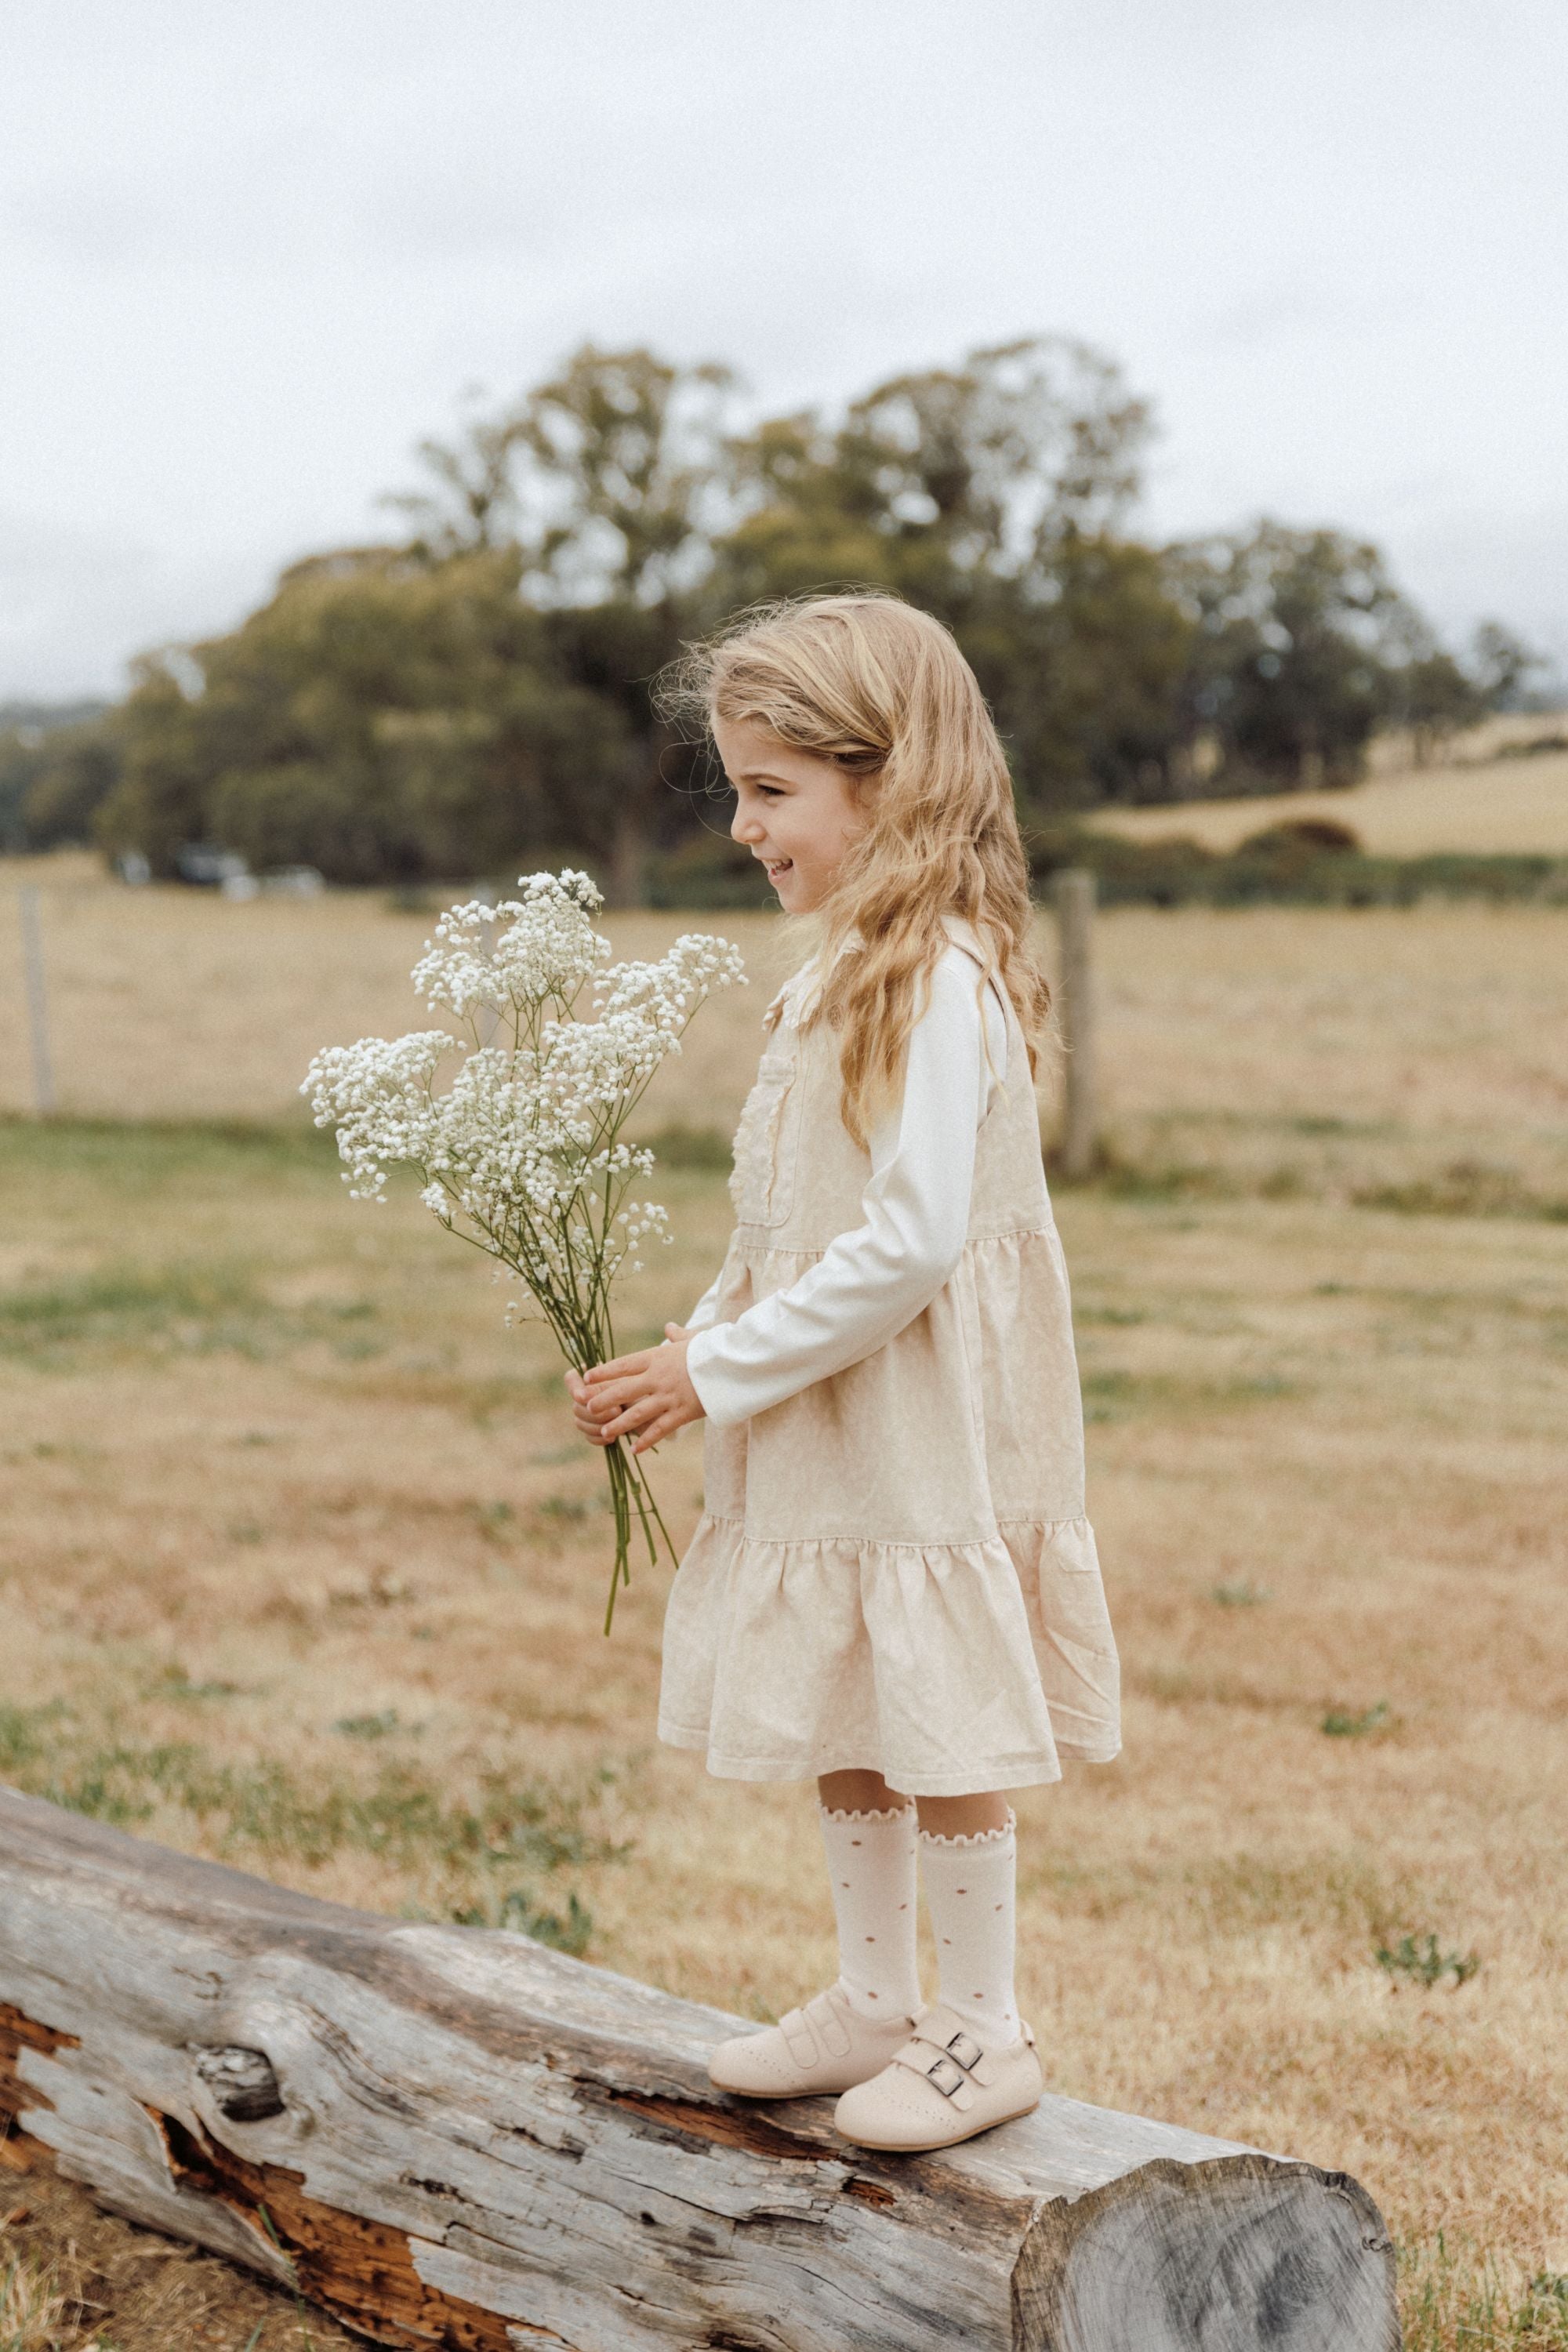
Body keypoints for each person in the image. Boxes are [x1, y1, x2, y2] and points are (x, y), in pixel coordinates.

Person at [567, 593, 1120, 2154]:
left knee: (932, 1696)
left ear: (887, 780)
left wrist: (721, 1372)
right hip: (833, 1399)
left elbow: (908, 1244)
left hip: (910, 1409)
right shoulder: (842, 967)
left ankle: (984, 2022)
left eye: (771, 790)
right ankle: (876, 1995)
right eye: (737, 788)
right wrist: (692, 1342)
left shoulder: (932, 978)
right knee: (858, 1692)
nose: (742, 825)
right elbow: (792, 1220)